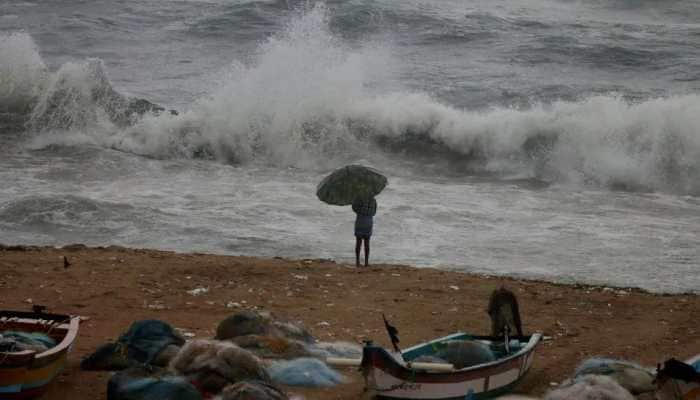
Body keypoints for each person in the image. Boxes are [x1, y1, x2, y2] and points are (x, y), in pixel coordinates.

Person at [352, 196, 377, 267]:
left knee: (358, 243)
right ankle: (366, 262)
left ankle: (357, 262)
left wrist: (354, 200)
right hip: (369, 222)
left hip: (360, 222)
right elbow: (374, 212)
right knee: (367, 243)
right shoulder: (373, 200)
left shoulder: (359, 198)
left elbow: (354, 208)